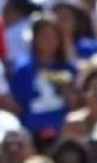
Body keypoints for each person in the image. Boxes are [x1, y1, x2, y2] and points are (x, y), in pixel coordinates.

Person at [9, 13, 78, 146]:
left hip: (61, 132)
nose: (48, 41)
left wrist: (67, 91)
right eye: (44, 36)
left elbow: (74, 105)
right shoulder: (24, 70)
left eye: (53, 36)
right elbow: (17, 105)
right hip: (33, 132)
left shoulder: (67, 69)